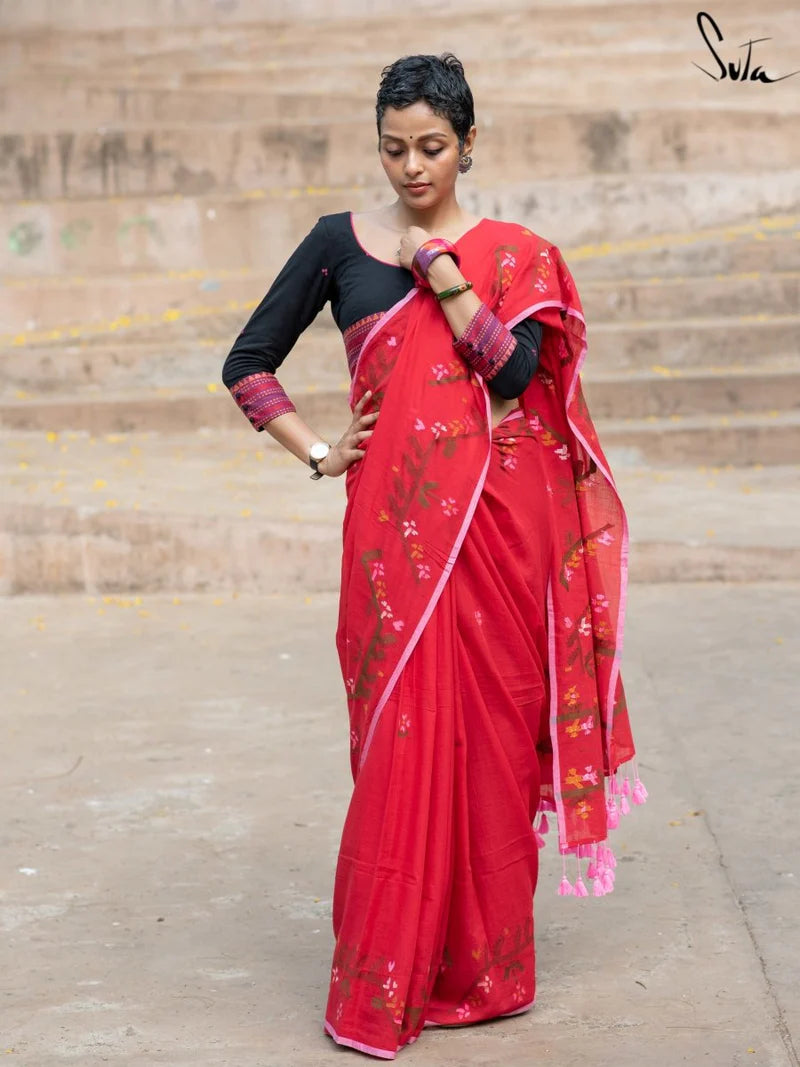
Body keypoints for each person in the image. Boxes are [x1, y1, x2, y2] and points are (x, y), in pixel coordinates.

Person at [223, 52, 644, 1062]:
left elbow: (520, 371)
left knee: (491, 738)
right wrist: (322, 452)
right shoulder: (336, 245)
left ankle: (484, 969)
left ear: (466, 144)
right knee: (399, 746)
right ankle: (387, 968)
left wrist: (442, 274)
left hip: (496, 531)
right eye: (392, 148)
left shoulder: (511, 253)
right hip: (389, 532)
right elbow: (247, 362)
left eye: (430, 147)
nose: (410, 167)